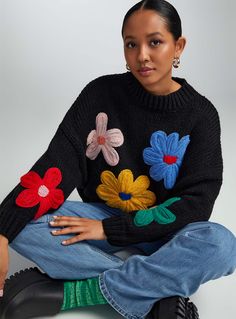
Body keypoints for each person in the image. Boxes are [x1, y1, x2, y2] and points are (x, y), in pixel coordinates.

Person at [0, 0, 235, 318]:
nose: (142, 56)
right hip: (103, 213)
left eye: (155, 42)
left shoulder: (202, 115)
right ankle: (155, 298)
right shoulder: (100, 94)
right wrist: (2, 231)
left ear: (178, 46)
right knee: (23, 226)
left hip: (168, 231)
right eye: (131, 44)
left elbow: (196, 205)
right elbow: (57, 164)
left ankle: (80, 293)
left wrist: (108, 230)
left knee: (221, 246)